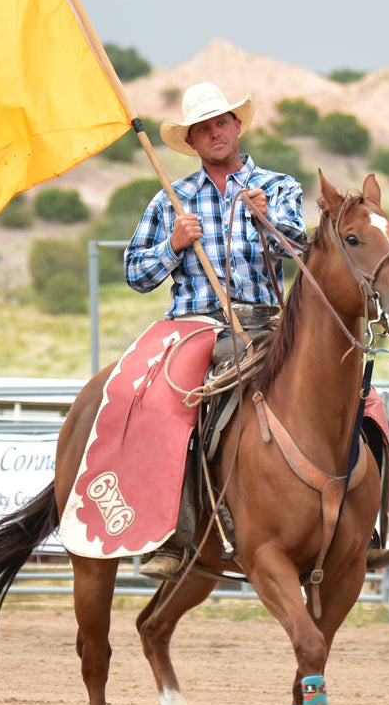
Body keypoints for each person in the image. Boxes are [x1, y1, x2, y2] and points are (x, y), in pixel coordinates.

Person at [124, 83, 305, 580]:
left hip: (268, 321)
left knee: (356, 392)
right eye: (203, 128)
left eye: (221, 122)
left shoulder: (279, 187)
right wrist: (173, 247)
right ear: (192, 140)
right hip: (196, 326)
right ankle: (176, 537)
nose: (214, 133)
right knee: (164, 404)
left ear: (237, 126)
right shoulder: (171, 200)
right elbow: (136, 274)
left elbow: (308, 253)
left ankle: (365, 528)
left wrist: (270, 222)